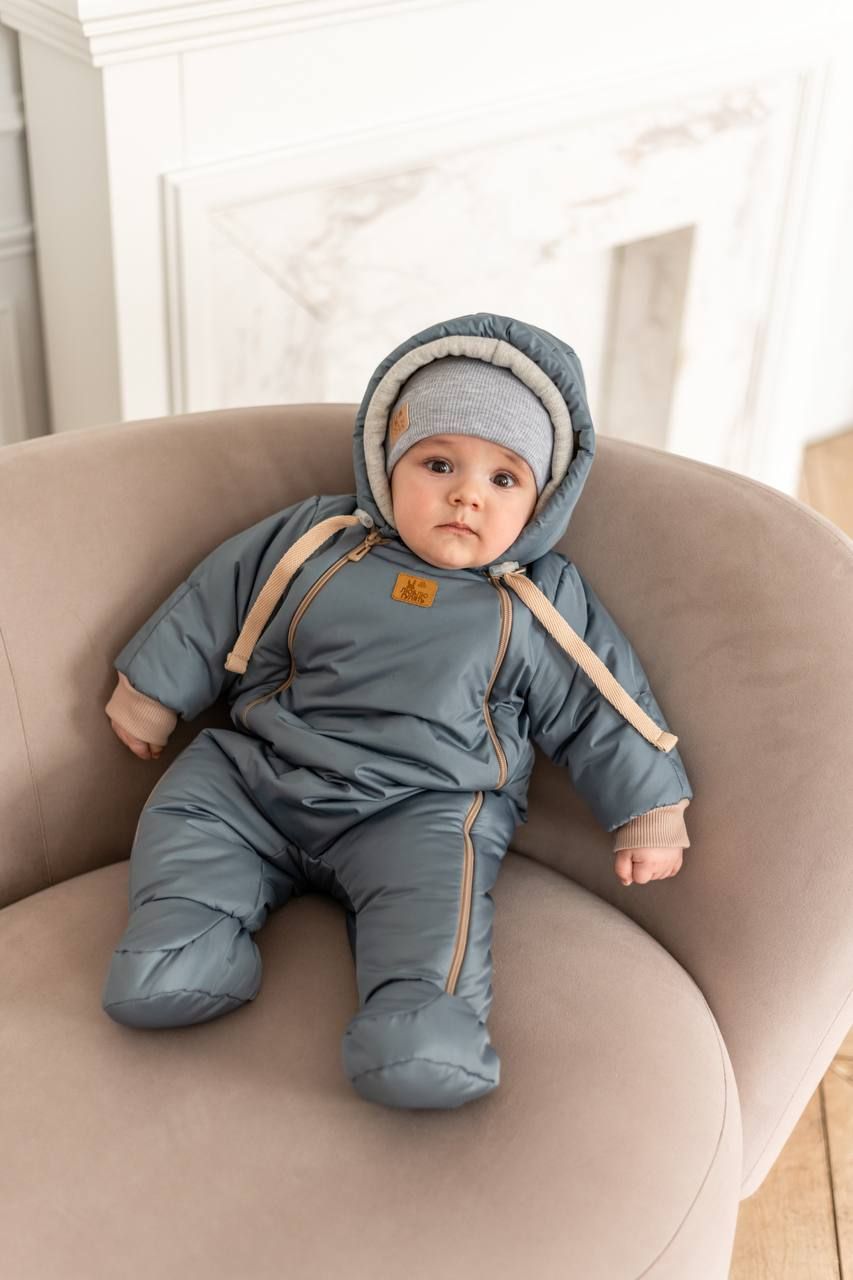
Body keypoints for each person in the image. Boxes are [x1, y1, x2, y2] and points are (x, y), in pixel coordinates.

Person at [102, 311, 693, 1111]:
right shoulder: (318, 538)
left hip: (422, 808)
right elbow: (216, 599)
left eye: (503, 479)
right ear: (386, 461)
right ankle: (181, 946)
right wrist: (150, 695)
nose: (465, 495)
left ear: (542, 501)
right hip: (263, 773)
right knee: (190, 812)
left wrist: (647, 810)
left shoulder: (535, 600)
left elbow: (602, 699)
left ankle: (421, 1030)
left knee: (437, 908)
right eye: (438, 463)